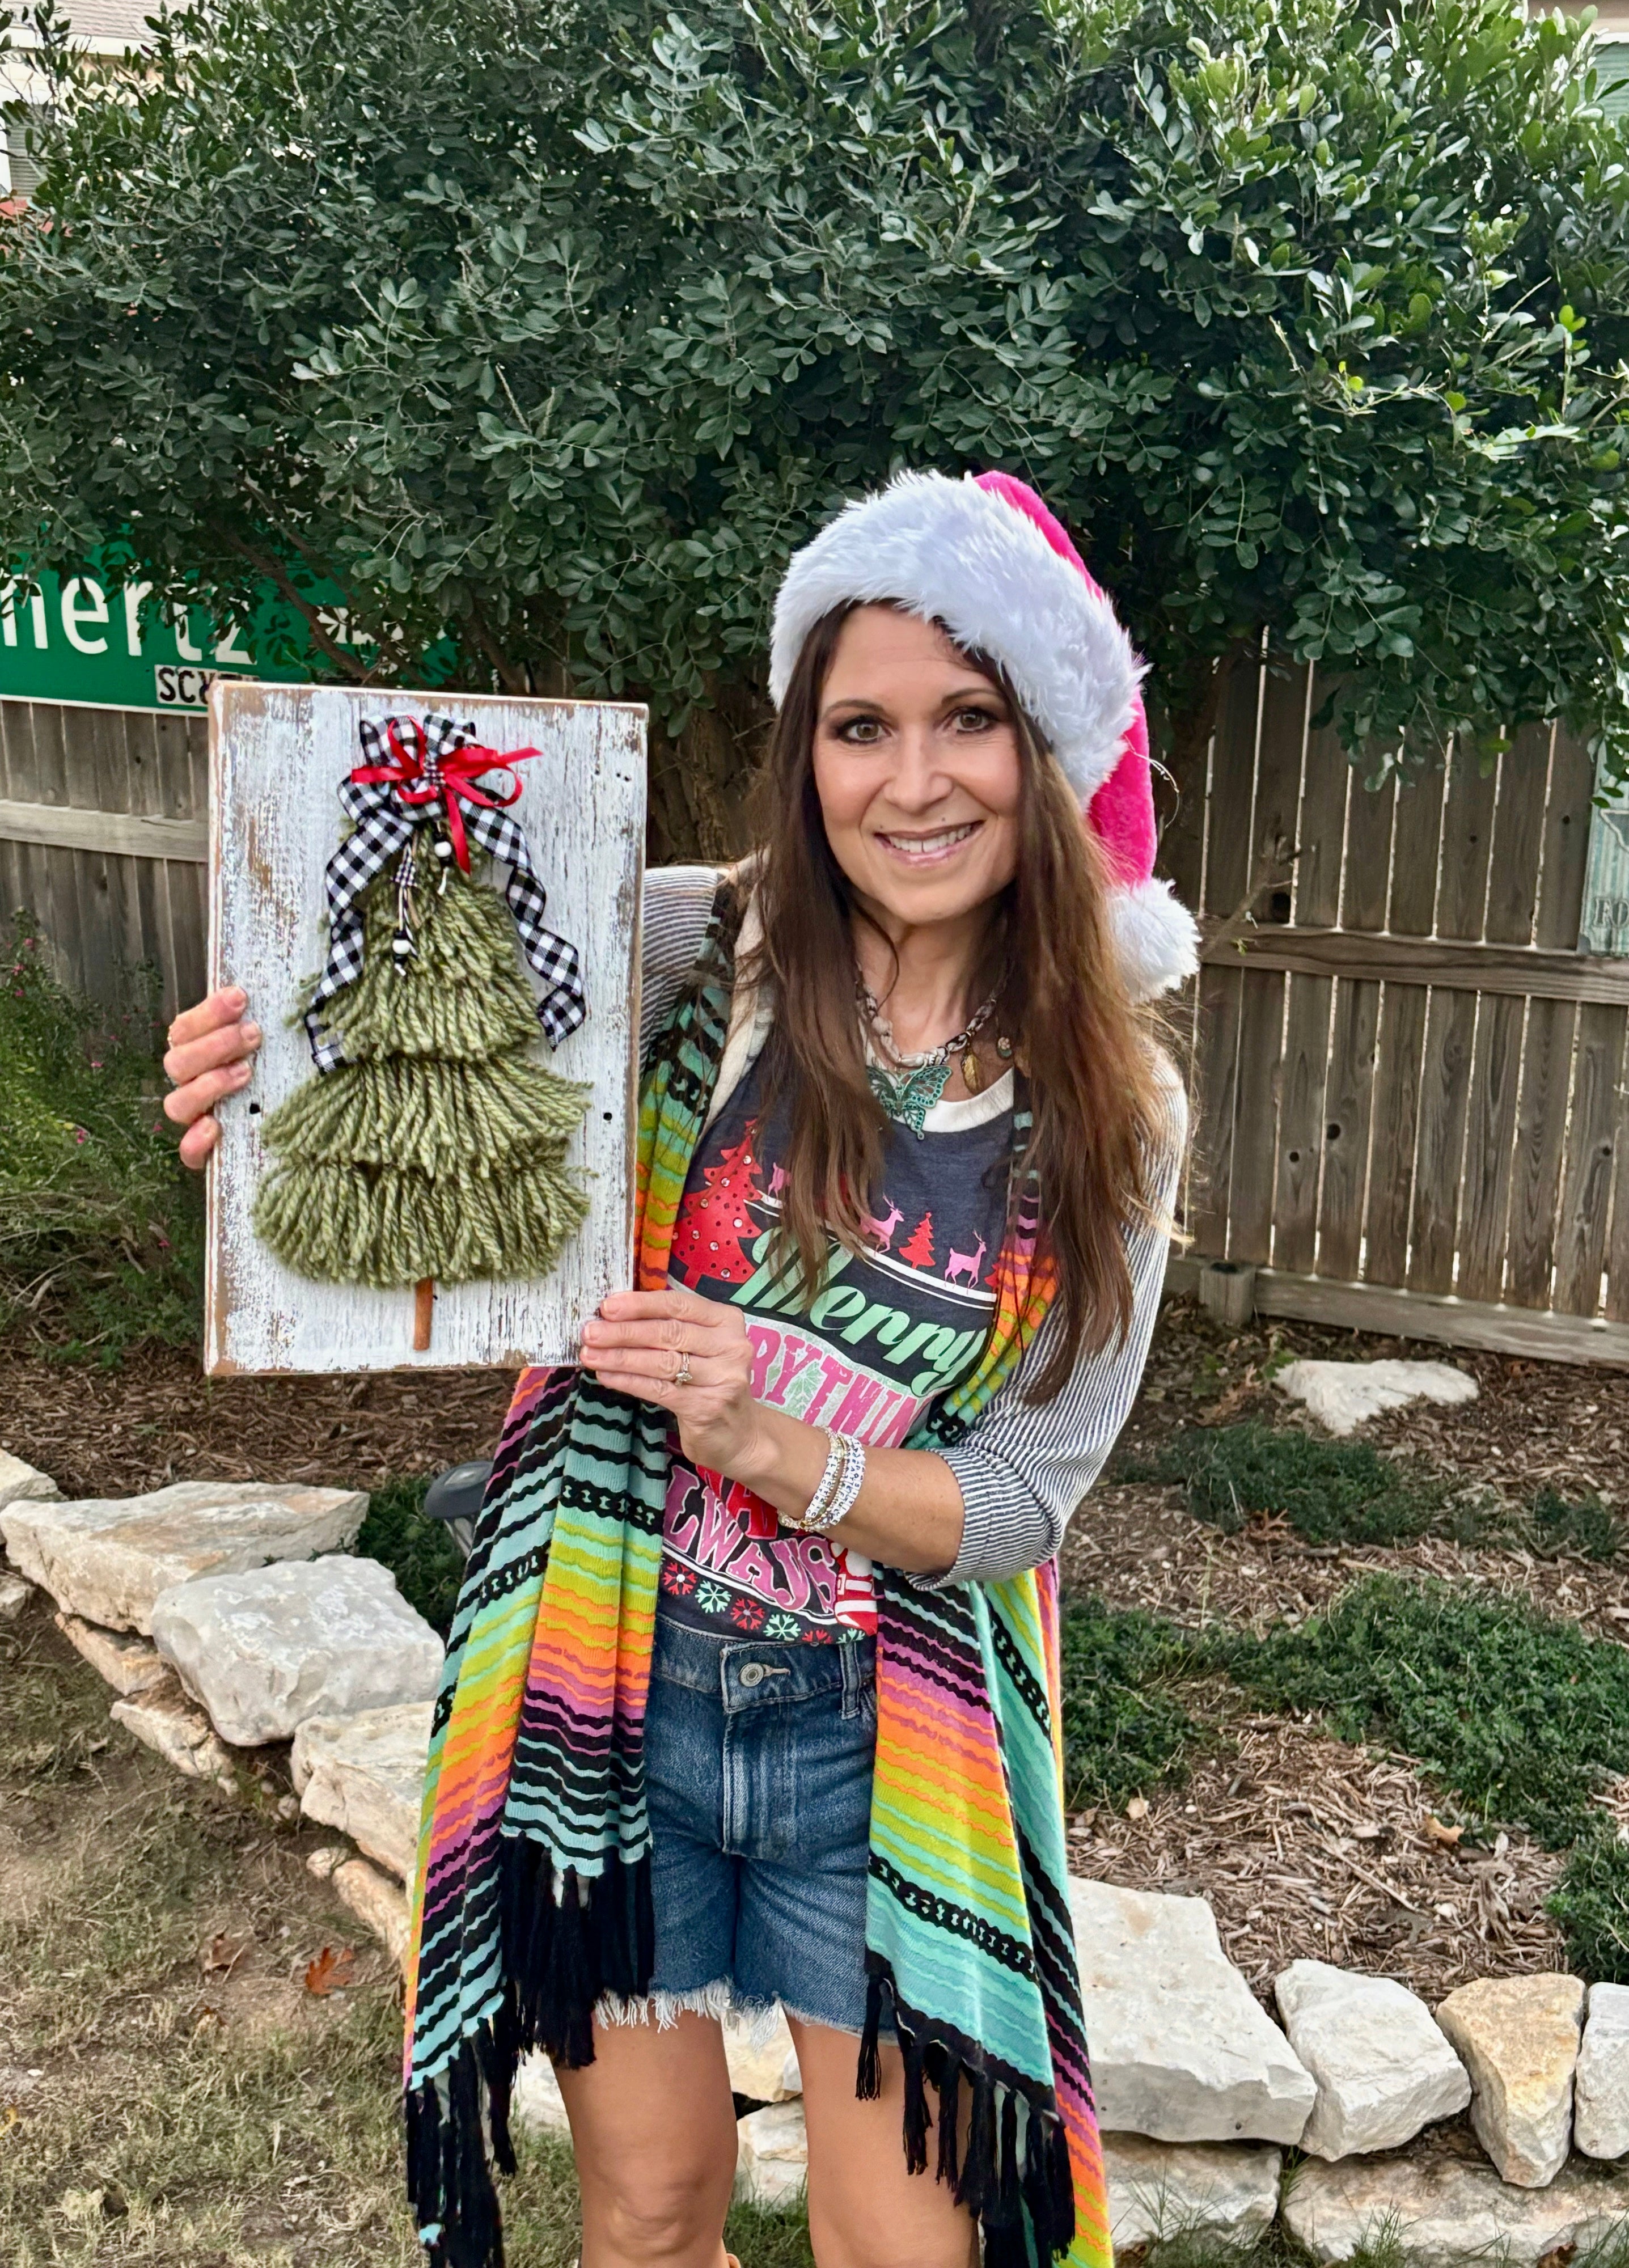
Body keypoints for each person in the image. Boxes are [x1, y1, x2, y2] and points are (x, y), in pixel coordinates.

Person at [164, 468, 1197, 2268]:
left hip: (889, 1739)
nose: (912, 778)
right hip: (607, 1690)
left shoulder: (1115, 1107)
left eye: (967, 721)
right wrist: (259, 1081)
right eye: (859, 726)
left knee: (913, 2251)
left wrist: (771, 1437)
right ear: (807, 754)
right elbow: (421, 1059)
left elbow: (1023, 1500)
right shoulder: (672, 949)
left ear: (1041, 748)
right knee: (645, 2213)